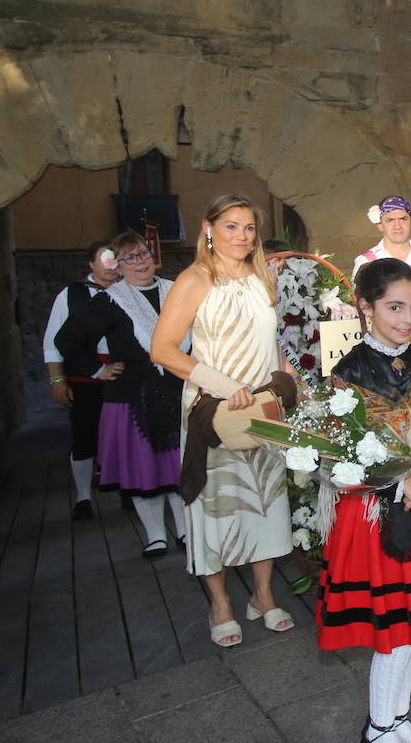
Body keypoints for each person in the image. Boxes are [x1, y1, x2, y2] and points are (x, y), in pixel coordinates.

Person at [321, 258, 411, 743]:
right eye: (394, 307)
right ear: (365, 306)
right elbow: (341, 456)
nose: (407, 319)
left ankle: (396, 718)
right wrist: (401, 484)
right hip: (375, 515)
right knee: (394, 630)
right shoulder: (348, 372)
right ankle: (380, 727)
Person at [151, 193, 294, 648]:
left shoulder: (263, 276)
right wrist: (221, 383)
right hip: (214, 409)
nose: (242, 236)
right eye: (231, 226)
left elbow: (271, 341)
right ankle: (220, 603)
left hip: (261, 407)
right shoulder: (193, 280)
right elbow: (163, 349)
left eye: (249, 228)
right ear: (208, 228)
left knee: (268, 503)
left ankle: (264, 596)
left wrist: (286, 381)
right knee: (215, 506)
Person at [56, 232, 189, 557]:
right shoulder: (110, 299)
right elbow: (68, 339)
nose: (140, 262)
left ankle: (186, 531)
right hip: (132, 396)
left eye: (143, 253)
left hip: (176, 387)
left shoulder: (177, 291)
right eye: (130, 257)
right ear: (118, 265)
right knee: (145, 468)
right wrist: (96, 370)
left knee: (179, 465)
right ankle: (156, 534)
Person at [44, 240, 121, 519]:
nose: (112, 265)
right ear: (92, 264)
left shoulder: (128, 291)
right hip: (84, 376)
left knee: (123, 434)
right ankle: (84, 497)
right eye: (106, 259)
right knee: (84, 435)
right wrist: (57, 380)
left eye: (116, 259)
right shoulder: (72, 294)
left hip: (122, 375)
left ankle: (128, 488)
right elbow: (53, 341)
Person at [353, 196, 411, 337]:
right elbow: (361, 308)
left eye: (403, 219)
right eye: (390, 220)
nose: (397, 226)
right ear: (380, 225)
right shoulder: (366, 261)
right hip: (384, 343)